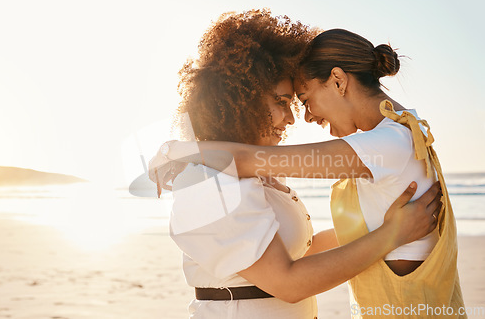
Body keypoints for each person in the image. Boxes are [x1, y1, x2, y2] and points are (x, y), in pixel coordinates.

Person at [153, 25, 466, 317]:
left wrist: (177, 151)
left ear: (339, 80)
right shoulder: (403, 133)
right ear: (242, 101)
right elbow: (290, 274)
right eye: (285, 102)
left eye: (302, 100)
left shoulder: (386, 144)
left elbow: (250, 161)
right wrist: (390, 233)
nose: (301, 118)